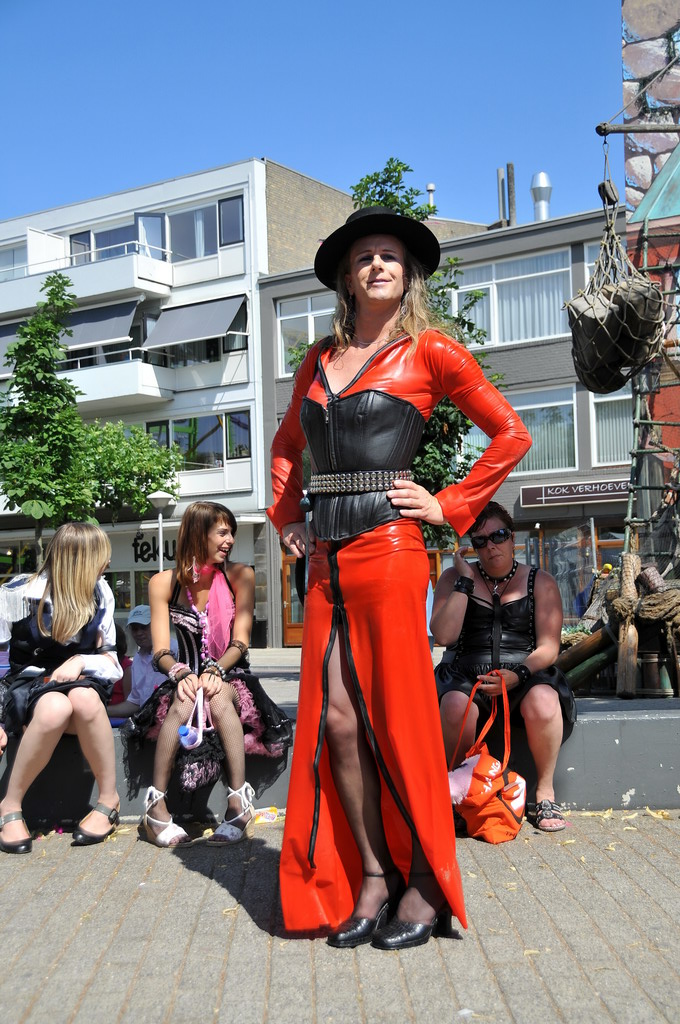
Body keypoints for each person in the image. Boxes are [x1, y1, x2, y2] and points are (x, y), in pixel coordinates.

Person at [268, 207, 532, 949]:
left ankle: (423, 880)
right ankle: (375, 876)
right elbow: (289, 444)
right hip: (323, 556)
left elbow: (511, 432)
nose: (378, 266)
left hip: (390, 547)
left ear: (407, 273)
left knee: (398, 719)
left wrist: (448, 504)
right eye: (365, 258)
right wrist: (284, 515)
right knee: (338, 723)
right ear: (347, 278)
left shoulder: (432, 352)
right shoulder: (316, 360)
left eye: (390, 257)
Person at [132, 501, 292, 847]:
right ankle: (156, 808)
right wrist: (179, 672)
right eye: (222, 532)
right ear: (197, 534)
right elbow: (161, 649)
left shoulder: (240, 575)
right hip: (184, 675)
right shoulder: (164, 583)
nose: (230, 539)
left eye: (231, 532)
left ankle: (238, 804)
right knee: (185, 695)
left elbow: (241, 641)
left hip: (232, 675)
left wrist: (217, 669)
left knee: (217, 695)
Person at [432, 501, 576, 833]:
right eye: (480, 541)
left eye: (497, 535)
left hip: (524, 671)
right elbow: (443, 635)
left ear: (512, 538)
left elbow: (549, 647)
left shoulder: (541, 581)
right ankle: (455, 790)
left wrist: (518, 674)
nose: (490, 546)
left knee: (544, 700)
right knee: (455, 705)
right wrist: (464, 583)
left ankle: (544, 794)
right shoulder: (454, 577)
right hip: (464, 671)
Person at [0, 523, 122, 853]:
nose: (107, 565)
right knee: (56, 706)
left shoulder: (101, 592)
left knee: (81, 698)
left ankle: (109, 801)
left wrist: (81, 661)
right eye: (102, 558)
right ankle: (10, 806)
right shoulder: (15, 593)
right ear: (80, 560)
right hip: (30, 688)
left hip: (83, 689)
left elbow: (112, 664)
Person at [107, 606, 175, 719]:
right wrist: (102, 711)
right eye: (135, 629)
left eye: (144, 627)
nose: (139, 633)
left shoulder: (175, 649)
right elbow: (135, 703)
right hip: (149, 725)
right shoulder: (137, 660)